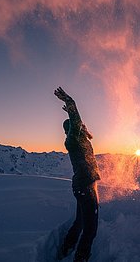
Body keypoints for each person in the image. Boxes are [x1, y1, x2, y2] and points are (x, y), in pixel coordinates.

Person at [54, 87, 101, 262]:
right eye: (76, 126)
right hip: (85, 186)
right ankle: (80, 258)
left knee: (80, 222)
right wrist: (70, 102)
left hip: (84, 185)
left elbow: (89, 135)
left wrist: (82, 127)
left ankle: (66, 248)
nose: (79, 126)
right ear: (71, 128)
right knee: (90, 229)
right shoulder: (72, 139)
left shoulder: (80, 138)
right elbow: (76, 122)